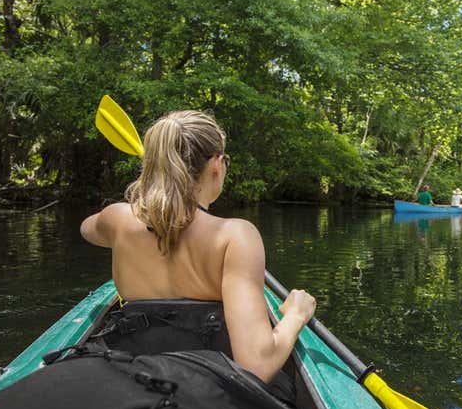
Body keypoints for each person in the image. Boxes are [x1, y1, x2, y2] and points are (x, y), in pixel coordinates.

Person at [80, 110, 316, 384]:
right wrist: (296, 315)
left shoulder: (117, 219)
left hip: (132, 375)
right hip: (206, 386)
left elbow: (87, 229)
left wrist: (145, 207)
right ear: (217, 164)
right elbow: (257, 367)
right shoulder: (236, 236)